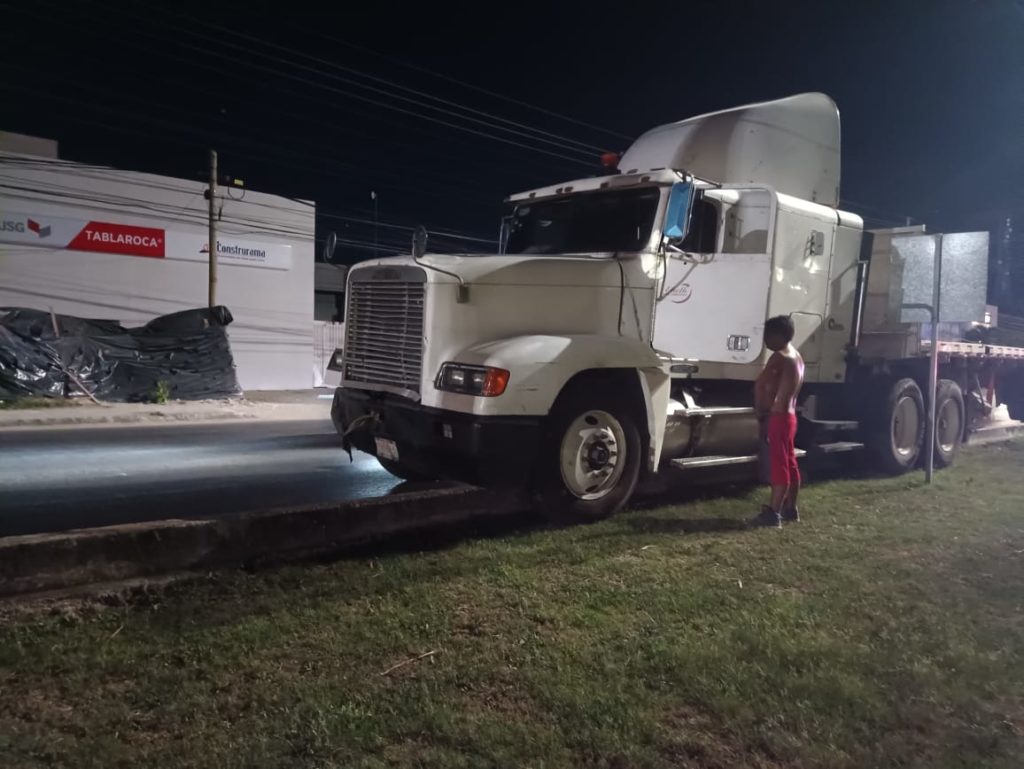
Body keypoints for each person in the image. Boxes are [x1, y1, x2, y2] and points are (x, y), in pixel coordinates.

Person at [750, 315, 805, 528]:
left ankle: (773, 513)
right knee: (790, 462)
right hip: (790, 417)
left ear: (777, 335)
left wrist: (761, 410)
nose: (764, 340)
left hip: (778, 416)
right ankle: (791, 508)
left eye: (767, 335)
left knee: (778, 464)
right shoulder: (797, 357)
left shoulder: (779, 358)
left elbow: (765, 386)